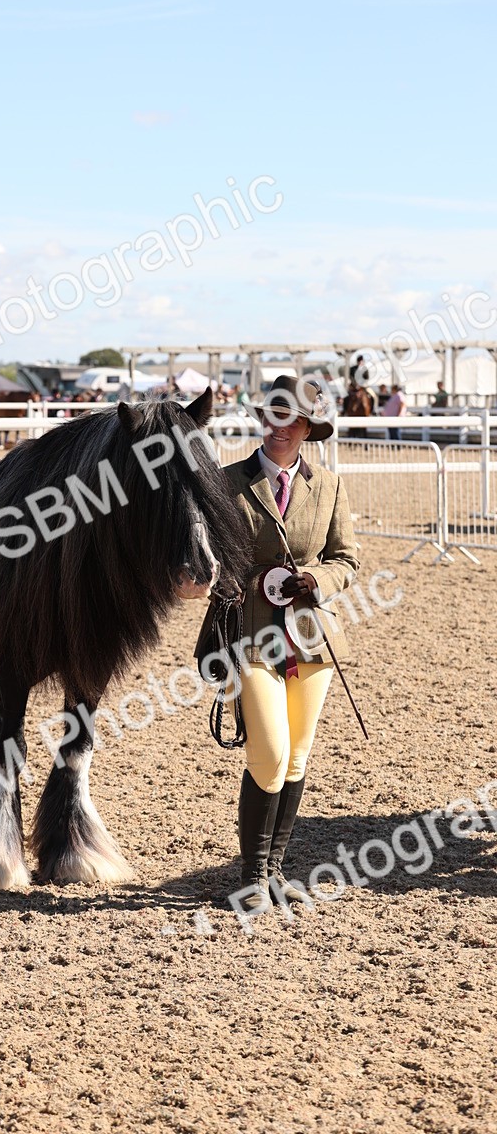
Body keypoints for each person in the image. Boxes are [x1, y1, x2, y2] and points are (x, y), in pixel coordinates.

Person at [221, 376, 359, 914]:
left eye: (292, 421)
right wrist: (241, 580)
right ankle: (250, 875)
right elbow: (212, 559)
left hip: (312, 638)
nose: (280, 429)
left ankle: (274, 872)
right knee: (271, 753)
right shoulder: (229, 482)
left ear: (307, 428)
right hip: (250, 635)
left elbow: (347, 559)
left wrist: (318, 580)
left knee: (297, 756)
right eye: (273, 418)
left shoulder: (329, 485)